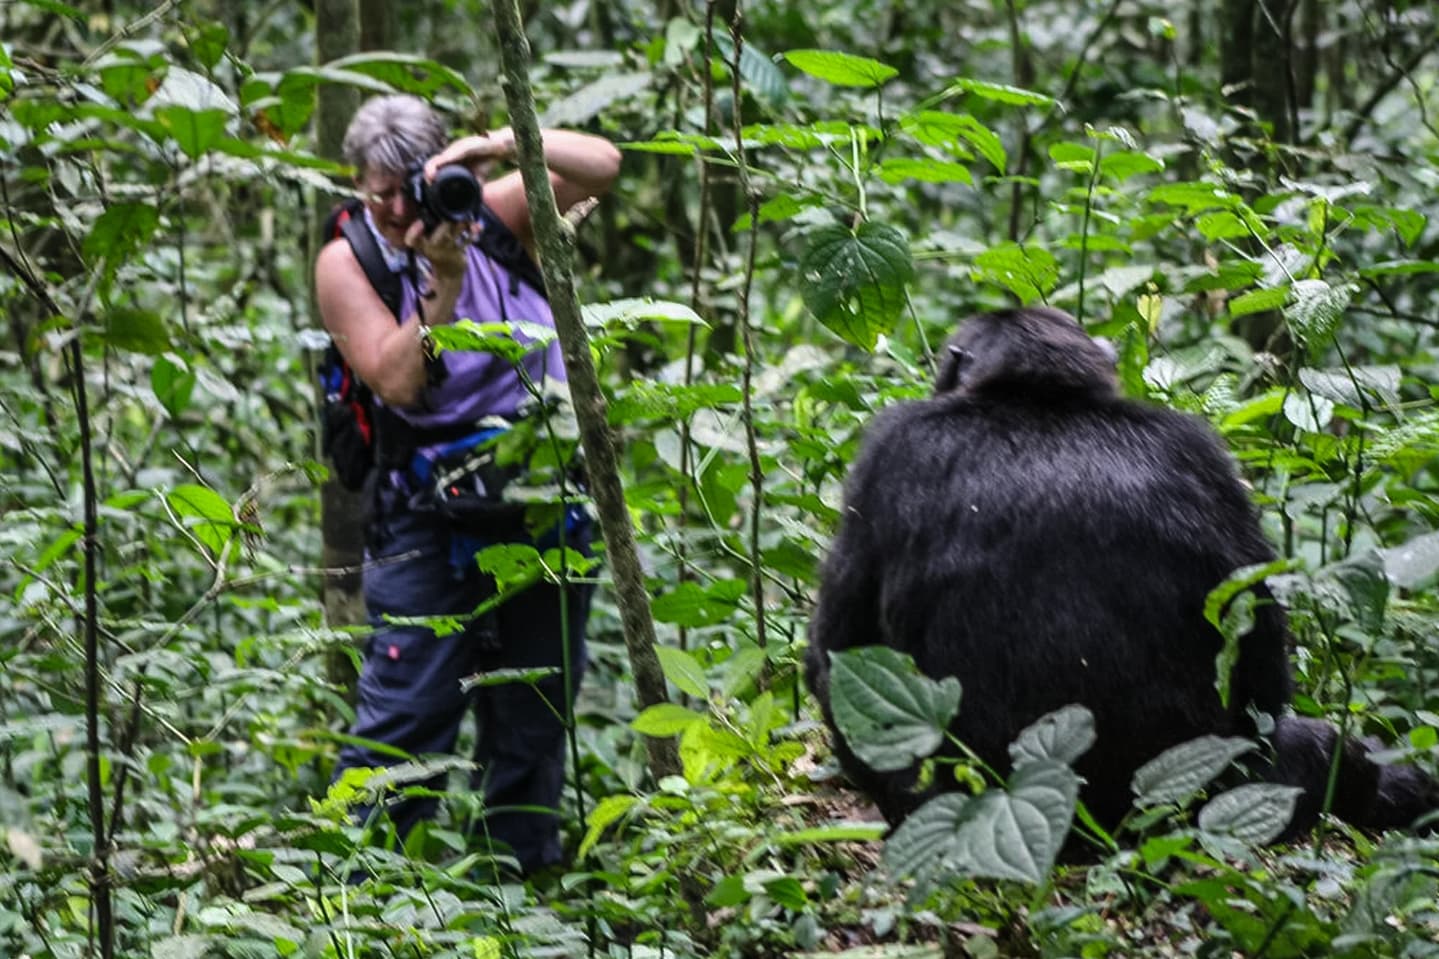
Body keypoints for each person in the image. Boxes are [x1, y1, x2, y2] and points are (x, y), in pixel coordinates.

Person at [315, 93, 620, 876]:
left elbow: (603, 165)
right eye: (372, 191)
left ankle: (521, 886)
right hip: (427, 512)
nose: (391, 208)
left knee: (533, 710)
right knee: (407, 714)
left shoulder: (488, 208)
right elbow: (395, 379)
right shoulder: (350, 260)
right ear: (354, 185)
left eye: (403, 187)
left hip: (542, 491)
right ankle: (369, 894)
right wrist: (441, 281)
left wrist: (490, 148)